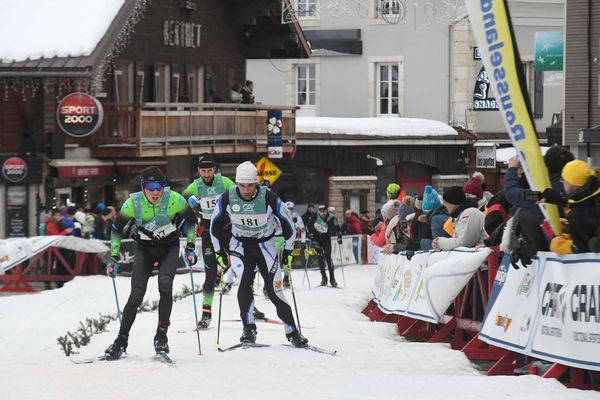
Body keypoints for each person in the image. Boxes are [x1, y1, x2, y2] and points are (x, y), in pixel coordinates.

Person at [103, 167, 198, 359]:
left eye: (159, 187)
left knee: (165, 283)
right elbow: (116, 229)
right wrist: (113, 257)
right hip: (145, 250)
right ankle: (121, 340)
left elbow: (192, 221)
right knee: (136, 293)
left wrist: (189, 246)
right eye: (150, 187)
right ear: (143, 187)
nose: (155, 192)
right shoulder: (133, 203)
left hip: (168, 248)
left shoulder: (175, 199)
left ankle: (161, 336)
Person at [210, 161, 308, 347]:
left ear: (257, 183)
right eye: (242, 185)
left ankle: (292, 332)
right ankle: (249, 329)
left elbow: (289, 226)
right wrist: (218, 252)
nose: (246, 190)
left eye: (250, 185)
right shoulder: (228, 197)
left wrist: (288, 250)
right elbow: (214, 225)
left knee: (274, 290)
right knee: (244, 281)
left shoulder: (269, 198)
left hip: (265, 246)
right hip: (240, 246)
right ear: (236, 183)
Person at [182, 153, 235, 329]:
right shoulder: (195, 185)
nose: (206, 174)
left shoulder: (224, 182)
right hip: (208, 233)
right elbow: (182, 200)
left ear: (215, 169)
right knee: (210, 273)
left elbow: (240, 194)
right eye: (203, 171)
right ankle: (206, 313)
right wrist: (188, 201)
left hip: (227, 229)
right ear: (198, 170)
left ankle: (250, 307)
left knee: (242, 268)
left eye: (210, 170)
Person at [543, 160, 600, 254]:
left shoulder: (577, 215)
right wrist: (569, 228)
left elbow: (583, 250)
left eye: (563, 180)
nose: (562, 183)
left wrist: (557, 243)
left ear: (571, 184)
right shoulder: (592, 200)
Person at [432, 186, 485, 251]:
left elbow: (464, 243)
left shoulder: (470, 213)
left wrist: (441, 242)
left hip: (480, 256)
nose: (444, 205)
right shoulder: (461, 215)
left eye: (445, 202)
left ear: (453, 202)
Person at [307, 204, 342, 287]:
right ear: (319, 211)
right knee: (320, 258)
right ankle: (324, 278)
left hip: (326, 238)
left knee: (328, 258)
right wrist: (310, 233)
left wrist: (339, 238)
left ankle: (332, 279)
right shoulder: (315, 216)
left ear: (327, 211)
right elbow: (308, 225)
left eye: (324, 211)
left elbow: (338, 229)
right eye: (321, 212)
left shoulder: (332, 217)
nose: (323, 213)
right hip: (316, 239)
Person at [284, 201, 307, 288]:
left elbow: (303, 229)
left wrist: (303, 242)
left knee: (288, 260)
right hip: (278, 239)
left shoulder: (296, 216)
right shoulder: (279, 214)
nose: (289, 211)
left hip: (290, 241)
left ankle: (286, 278)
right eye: (287, 209)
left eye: (290, 209)